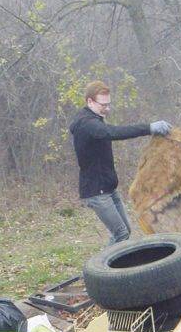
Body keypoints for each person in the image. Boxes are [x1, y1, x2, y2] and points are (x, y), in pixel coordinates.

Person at [70, 80, 171, 245]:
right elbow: (112, 132)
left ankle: (111, 267)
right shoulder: (86, 124)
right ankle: (102, 270)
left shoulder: (94, 118)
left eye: (109, 104)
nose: (107, 109)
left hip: (109, 188)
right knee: (121, 233)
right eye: (103, 105)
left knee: (125, 231)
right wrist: (149, 128)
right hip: (96, 192)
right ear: (89, 102)